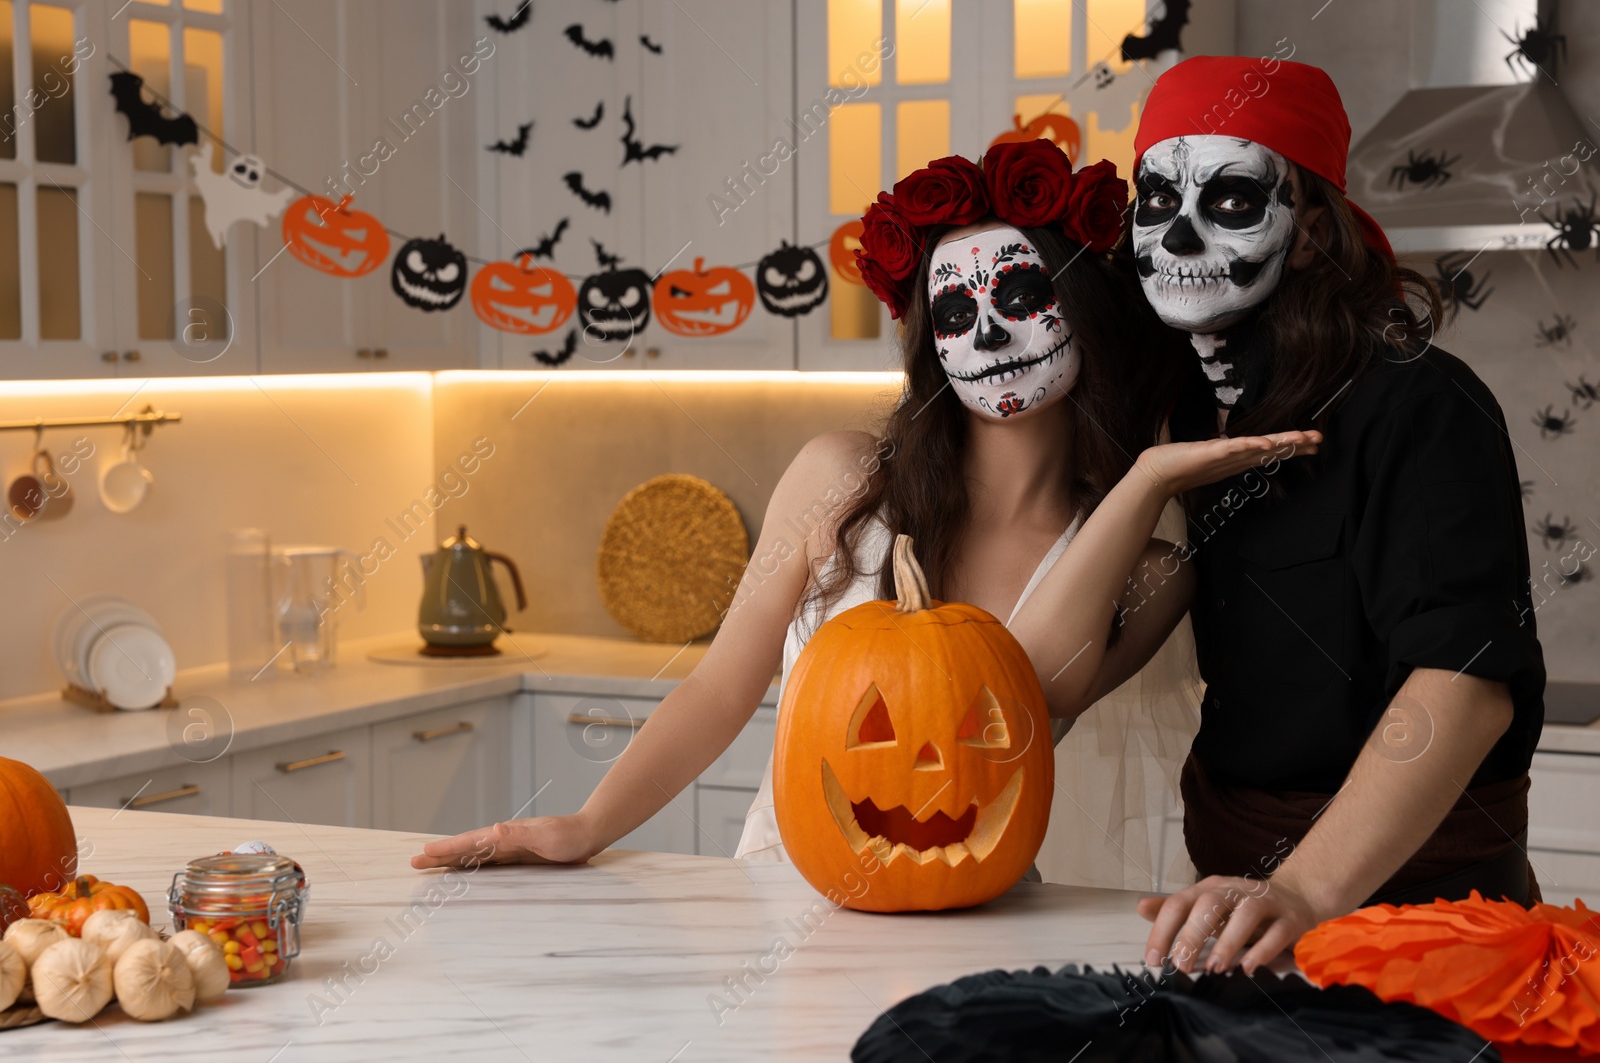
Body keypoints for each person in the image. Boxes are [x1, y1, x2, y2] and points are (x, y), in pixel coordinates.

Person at [411, 141, 1318, 876]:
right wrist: (583, 825)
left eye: (1019, 295)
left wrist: (1149, 481)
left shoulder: (1149, 569)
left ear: (1085, 311)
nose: (987, 333)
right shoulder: (838, 479)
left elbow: (1016, 695)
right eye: (953, 309)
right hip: (786, 893)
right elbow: (724, 684)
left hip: (973, 909)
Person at [1125, 57, 1547, 975]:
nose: (1178, 236)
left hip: (1427, 925)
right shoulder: (1190, 414)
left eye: (1233, 201)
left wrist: (1307, 889)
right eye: (1155, 199)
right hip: (1233, 915)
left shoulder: (1421, 404)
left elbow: (1465, 684)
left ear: (1314, 231)